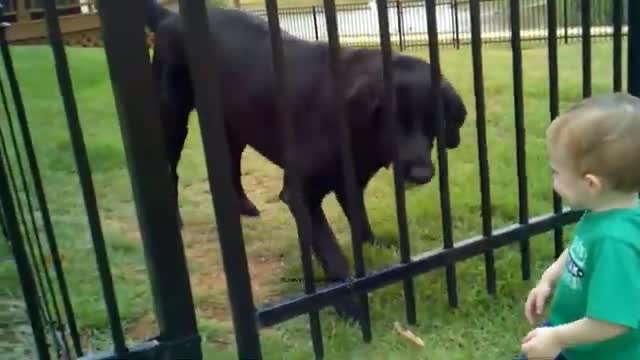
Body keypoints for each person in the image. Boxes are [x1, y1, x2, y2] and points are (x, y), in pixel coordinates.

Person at [520, 92, 640, 360]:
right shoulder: (608, 212)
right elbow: (580, 248)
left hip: (596, 352)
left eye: (557, 172)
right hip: (570, 331)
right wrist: (549, 279)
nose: (552, 179)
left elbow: (613, 322)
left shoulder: (616, 243)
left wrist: (556, 338)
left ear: (591, 184)